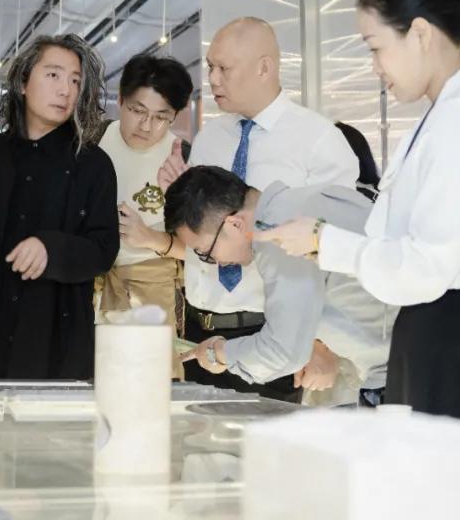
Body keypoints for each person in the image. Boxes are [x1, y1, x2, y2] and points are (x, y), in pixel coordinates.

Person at [256, 0, 460, 452]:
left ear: (420, 33)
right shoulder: (449, 113)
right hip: (447, 339)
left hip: (459, 343)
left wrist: (324, 241)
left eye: (376, 47)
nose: (375, 67)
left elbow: (424, 265)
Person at [157, 17, 358, 402]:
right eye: (210, 67)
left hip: (273, 335)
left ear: (264, 67)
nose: (212, 79)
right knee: (199, 439)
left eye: (223, 68)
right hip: (201, 333)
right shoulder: (209, 138)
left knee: (264, 441)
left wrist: (320, 342)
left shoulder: (318, 141)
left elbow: (337, 250)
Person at [0, 34, 119, 380]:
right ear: (23, 82)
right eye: (54, 75)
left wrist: (52, 249)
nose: (66, 90)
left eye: (75, 81)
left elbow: (104, 249)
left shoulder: (93, 164)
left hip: (57, 335)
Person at [164, 166, 390, 401]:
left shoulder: (278, 232)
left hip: (399, 364)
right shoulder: (298, 203)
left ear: (235, 224)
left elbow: (283, 352)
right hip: (399, 356)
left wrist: (218, 353)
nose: (215, 262)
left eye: (205, 252)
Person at [97, 55, 192, 366]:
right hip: (91, 288)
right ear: (120, 100)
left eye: (161, 117)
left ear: (174, 116)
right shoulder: (93, 142)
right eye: (137, 111)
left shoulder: (183, 160)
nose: (146, 126)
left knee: (152, 379)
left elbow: (200, 252)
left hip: (153, 293)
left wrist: (149, 237)